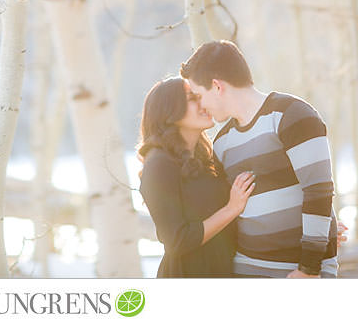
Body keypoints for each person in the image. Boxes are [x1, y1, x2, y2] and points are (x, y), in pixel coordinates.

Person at [180, 40, 339, 278]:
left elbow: (319, 192)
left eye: (199, 95)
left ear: (216, 86)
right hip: (246, 270)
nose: (200, 105)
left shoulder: (292, 115)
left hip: (300, 272)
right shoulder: (222, 142)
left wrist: (309, 267)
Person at [137, 76, 256, 277]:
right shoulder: (159, 164)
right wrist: (231, 209)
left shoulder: (207, 158)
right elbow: (177, 240)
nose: (204, 103)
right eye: (192, 98)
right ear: (169, 111)